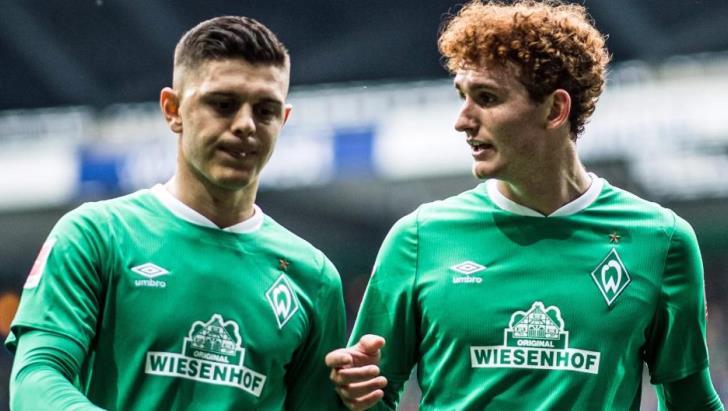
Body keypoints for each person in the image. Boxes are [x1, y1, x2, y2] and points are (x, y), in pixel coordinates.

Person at [326, 1, 725, 410]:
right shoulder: (419, 238)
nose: (462, 120)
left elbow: (691, 402)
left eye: (487, 98)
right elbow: (371, 395)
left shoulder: (661, 240)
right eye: (462, 96)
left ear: (555, 109)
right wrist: (352, 396)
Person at [6, 16, 346, 410]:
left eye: (265, 110)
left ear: (283, 121)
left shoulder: (314, 278)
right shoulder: (96, 235)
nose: (245, 125)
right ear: (173, 109)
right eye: (223, 104)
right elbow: (35, 380)